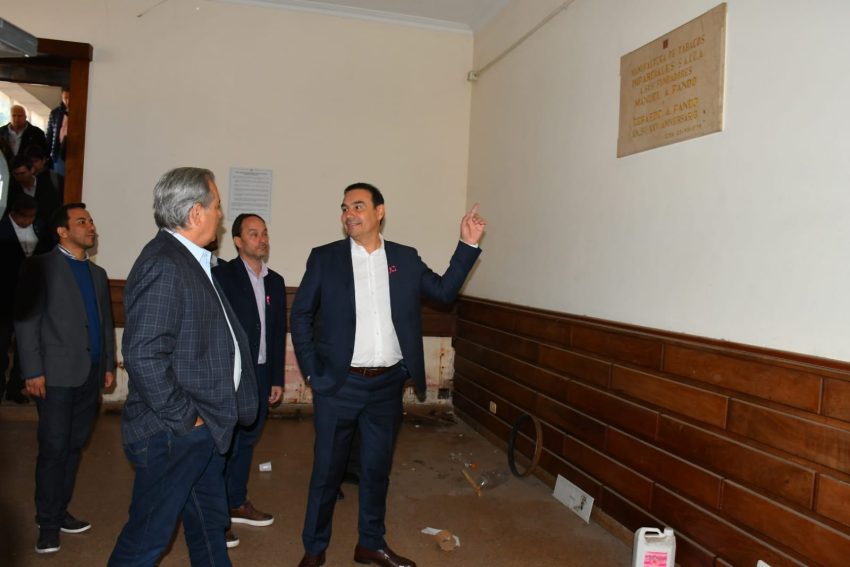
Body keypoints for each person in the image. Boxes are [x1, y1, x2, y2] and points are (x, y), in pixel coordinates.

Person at [290, 182, 485, 567]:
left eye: (358, 206)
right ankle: (314, 549)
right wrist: (313, 373)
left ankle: (370, 544)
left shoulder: (404, 258)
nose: (349, 214)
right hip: (339, 384)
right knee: (327, 472)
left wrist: (467, 244)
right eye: (345, 207)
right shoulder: (326, 258)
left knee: (377, 470)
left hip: (387, 385)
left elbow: (444, 292)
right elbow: (300, 316)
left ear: (380, 211)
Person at [109, 167, 258, 566]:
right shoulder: (165, 263)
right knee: (146, 540)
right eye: (217, 206)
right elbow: (143, 353)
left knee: (209, 526)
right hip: (173, 433)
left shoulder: (190, 260)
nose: (221, 215)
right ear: (195, 213)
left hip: (201, 429)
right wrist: (186, 418)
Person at [14, 203, 116, 554]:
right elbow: (27, 321)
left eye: (91, 221)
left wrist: (108, 365)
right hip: (55, 375)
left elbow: (103, 322)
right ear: (62, 231)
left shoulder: (97, 274)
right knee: (54, 447)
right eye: (82, 222)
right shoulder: (39, 267)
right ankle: (47, 523)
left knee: (73, 446)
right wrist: (32, 370)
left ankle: (59, 511)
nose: (91, 227)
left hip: (89, 374)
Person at [212, 213, 286, 547]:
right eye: (253, 234)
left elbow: (276, 333)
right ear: (238, 241)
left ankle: (236, 501)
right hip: (231, 373)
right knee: (224, 444)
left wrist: (276, 378)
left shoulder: (275, 282)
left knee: (247, 441)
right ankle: (216, 517)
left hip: (261, 372)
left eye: (264, 233)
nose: (262, 239)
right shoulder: (222, 276)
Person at [0, 195, 51, 404]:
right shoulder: (3, 229)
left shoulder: (40, 227)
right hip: (4, 298)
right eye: (25, 217)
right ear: (14, 214)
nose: (29, 221)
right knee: (2, 344)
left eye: (33, 217)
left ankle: (15, 387)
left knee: (26, 346)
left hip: (31, 298)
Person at [7, 155, 62, 225]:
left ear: (32, 170)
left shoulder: (48, 185)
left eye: (23, 173)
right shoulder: (11, 190)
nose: (20, 177)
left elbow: (55, 209)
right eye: (16, 174)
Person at [45, 88, 69, 174]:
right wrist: (46, 154)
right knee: (59, 178)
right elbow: (50, 135)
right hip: (58, 151)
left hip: (76, 152)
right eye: (65, 98)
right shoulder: (55, 113)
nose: (68, 101)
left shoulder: (83, 111)